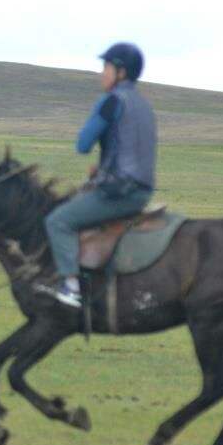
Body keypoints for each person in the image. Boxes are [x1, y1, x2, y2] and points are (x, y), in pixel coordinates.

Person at [44, 43, 157, 308]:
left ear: (120, 72)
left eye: (105, 67)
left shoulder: (112, 101)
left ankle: (71, 287)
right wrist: (104, 166)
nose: (101, 74)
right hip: (143, 190)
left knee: (58, 221)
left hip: (118, 191)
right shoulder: (144, 104)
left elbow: (83, 144)